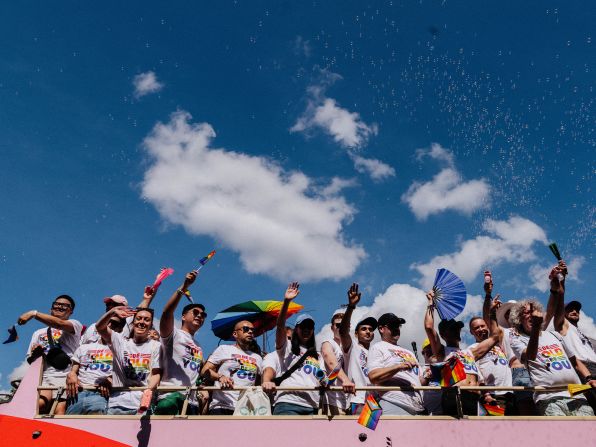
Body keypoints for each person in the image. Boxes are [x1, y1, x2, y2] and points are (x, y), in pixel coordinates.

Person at [508, 271, 595, 416]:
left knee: (589, 436)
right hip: (548, 398)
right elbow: (530, 355)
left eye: (533, 311)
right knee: (560, 437)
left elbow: (574, 361)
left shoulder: (553, 335)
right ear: (519, 320)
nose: (531, 315)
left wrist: (589, 378)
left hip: (576, 394)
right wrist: (536, 327)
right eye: (526, 314)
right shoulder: (517, 340)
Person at [424, 290, 500, 416]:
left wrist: (492, 313)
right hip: (453, 396)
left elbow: (496, 336)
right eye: (452, 329)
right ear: (443, 334)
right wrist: (430, 304)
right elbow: (428, 327)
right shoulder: (442, 351)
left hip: (473, 398)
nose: (457, 331)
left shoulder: (470, 352)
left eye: (458, 328)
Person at [262, 282, 323, 415]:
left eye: (310, 327)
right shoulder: (287, 347)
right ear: (296, 329)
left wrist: (325, 382)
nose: (306, 330)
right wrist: (286, 301)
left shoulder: (318, 355)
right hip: (288, 403)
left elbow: (321, 377)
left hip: (312, 406)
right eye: (303, 327)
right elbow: (280, 326)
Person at [18, 294, 83, 415]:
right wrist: (36, 355)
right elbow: (30, 360)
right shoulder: (38, 333)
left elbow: (59, 323)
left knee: (60, 411)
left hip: (66, 376)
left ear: (71, 311)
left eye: (65, 305)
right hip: (44, 376)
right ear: (51, 309)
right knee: (37, 406)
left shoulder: (75, 324)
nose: (59, 306)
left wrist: (34, 313)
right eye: (56, 304)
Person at [154, 271, 207, 416]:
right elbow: (166, 313)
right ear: (183, 316)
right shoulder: (174, 334)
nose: (200, 316)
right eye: (195, 312)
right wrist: (184, 286)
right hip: (170, 397)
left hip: (191, 401)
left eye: (203, 315)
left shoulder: (199, 345)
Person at [96, 306, 161, 415]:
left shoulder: (156, 346)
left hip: (141, 405)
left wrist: (148, 391)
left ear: (151, 325)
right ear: (133, 322)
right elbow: (100, 327)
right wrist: (112, 312)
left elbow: (156, 374)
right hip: (116, 404)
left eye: (146, 320)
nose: (142, 322)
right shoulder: (120, 341)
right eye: (139, 318)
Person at [65, 316, 126, 414]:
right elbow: (73, 370)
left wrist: (111, 378)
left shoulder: (122, 349)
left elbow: (125, 372)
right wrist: (71, 374)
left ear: (120, 329)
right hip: (78, 393)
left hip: (101, 393)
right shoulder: (83, 347)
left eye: (115, 323)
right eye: (108, 321)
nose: (109, 325)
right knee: (70, 425)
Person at [368, 313, 425, 415]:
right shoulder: (378, 347)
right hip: (394, 402)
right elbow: (373, 376)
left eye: (398, 326)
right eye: (392, 326)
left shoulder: (409, 352)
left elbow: (419, 380)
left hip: (418, 407)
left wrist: (429, 375)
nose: (397, 329)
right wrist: (399, 367)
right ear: (381, 329)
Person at [202, 320, 263, 415]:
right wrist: (220, 377)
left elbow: (258, 383)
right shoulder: (224, 349)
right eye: (246, 329)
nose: (250, 332)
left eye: (252, 330)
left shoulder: (258, 358)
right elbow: (205, 371)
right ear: (235, 334)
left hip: (246, 409)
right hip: (222, 406)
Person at [338, 283, 376, 415]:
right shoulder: (352, 347)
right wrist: (351, 306)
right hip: (357, 399)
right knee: (359, 434)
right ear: (356, 334)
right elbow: (342, 331)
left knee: (375, 435)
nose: (368, 332)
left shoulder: (376, 352)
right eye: (363, 329)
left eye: (371, 330)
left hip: (374, 401)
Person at [81, 288, 156, 345]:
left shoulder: (128, 325)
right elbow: (82, 348)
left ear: (124, 308)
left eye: (114, 305)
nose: (111, 307)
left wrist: (155, 285)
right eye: (108, 304)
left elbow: (143, 304)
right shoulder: (93, 327)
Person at [320, 304, 356, 415]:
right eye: (337, 325)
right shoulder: (328, 343)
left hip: (353, 400)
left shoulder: (354, 346)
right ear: (332, 327)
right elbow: (330, 361)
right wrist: (345, 380)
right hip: (334, 401)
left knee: (363, 431)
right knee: (336, 432)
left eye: (343, 325)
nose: (340, 327)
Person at [419, 338, 442, 415]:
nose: (432, 351)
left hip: (447, 411)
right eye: (428, 350)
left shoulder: (445, 366)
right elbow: (419, 385)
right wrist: (427, 375)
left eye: (434, 348)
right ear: (423, 353)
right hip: (428, 414)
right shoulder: (419, 369)